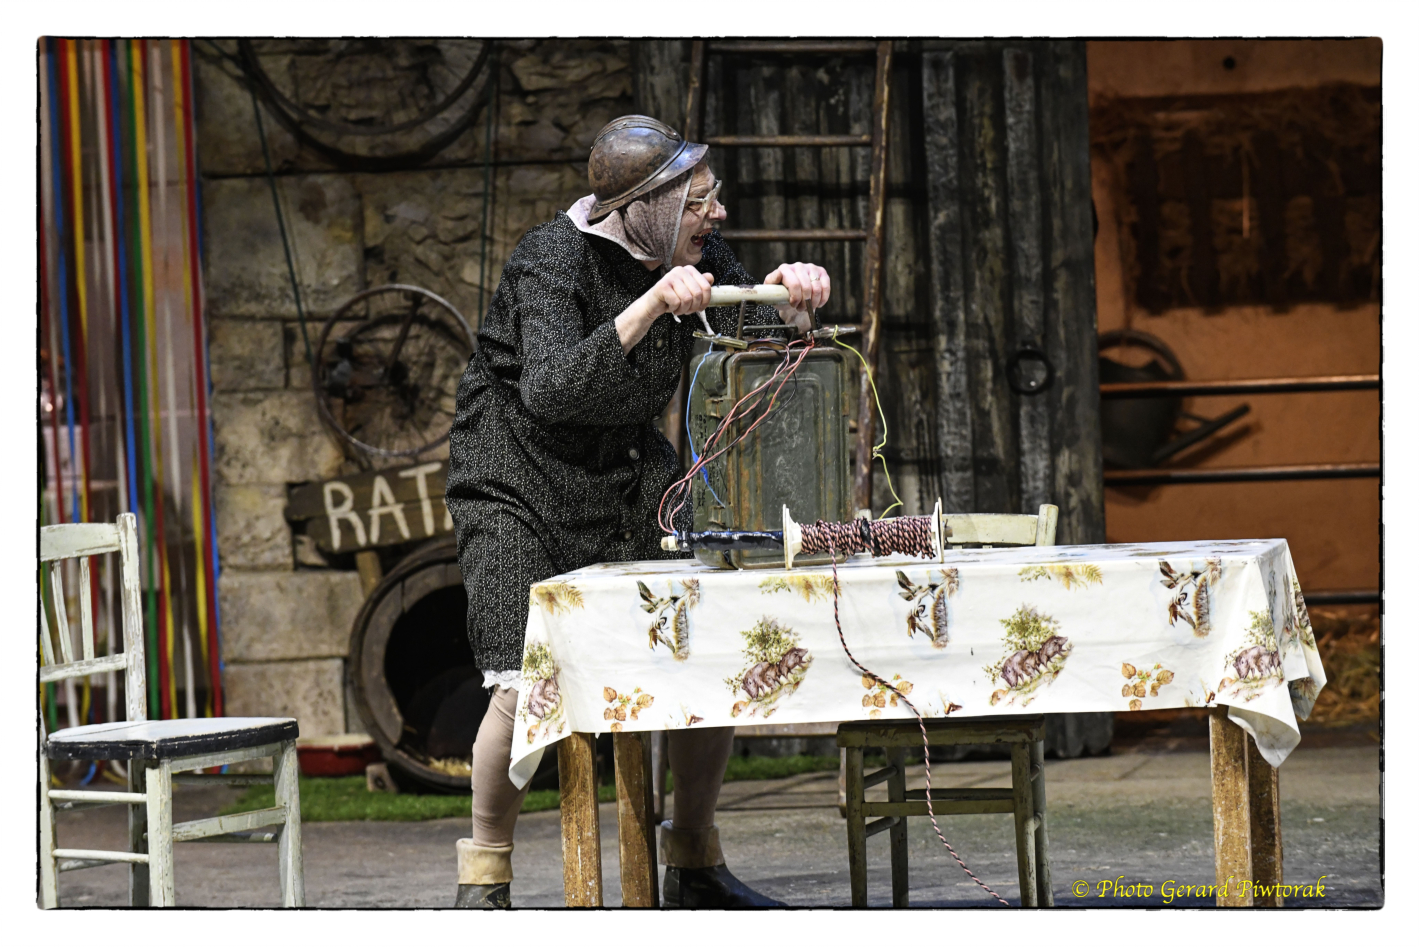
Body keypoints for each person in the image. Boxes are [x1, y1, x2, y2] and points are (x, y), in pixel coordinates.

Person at [445, 115, 831, 908]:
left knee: (702, 643)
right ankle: (483, 876)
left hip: (624, 472)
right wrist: (653, 304)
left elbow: (755, 332)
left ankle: (692, 861)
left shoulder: (691, 251)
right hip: (518, 479)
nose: (716, 214)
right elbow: (551, 389)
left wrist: (793, 297)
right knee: (524, 676)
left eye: (713, 196)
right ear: (645, 206)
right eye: (699, 201)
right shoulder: (552, 260)